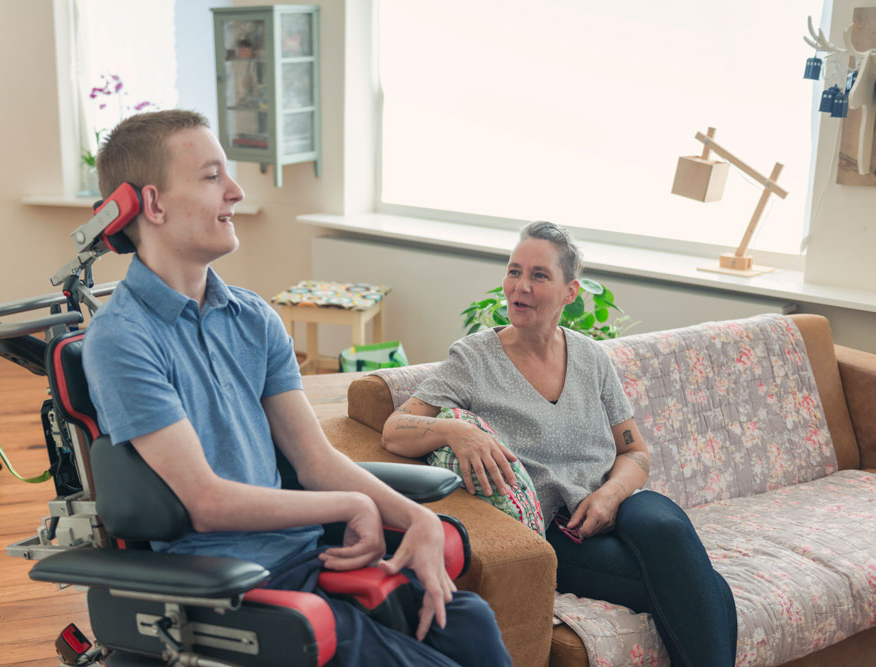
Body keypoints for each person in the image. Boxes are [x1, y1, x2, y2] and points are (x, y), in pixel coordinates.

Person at [81, 109, 510, 667]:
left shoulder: (252, 317)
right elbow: (206, 502)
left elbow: (314, 459)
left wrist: (419, 518)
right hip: (230, 584)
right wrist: (354, 504)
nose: (235, 191)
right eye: (212, 177)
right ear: (154, 204)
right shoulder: (122, 339)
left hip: (312, 557)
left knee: (469, 623)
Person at [382, 221, 738, 667]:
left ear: (570, 292)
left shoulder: (591, 356)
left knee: (666, 529)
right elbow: (395, 429)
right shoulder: (474, 358)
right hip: (561, 529)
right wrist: (457, 431)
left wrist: (610, 495)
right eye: (514, 272)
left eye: (538, 275)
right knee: (707, 588)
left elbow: (635, 453)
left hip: (619, 501)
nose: (520, 286)